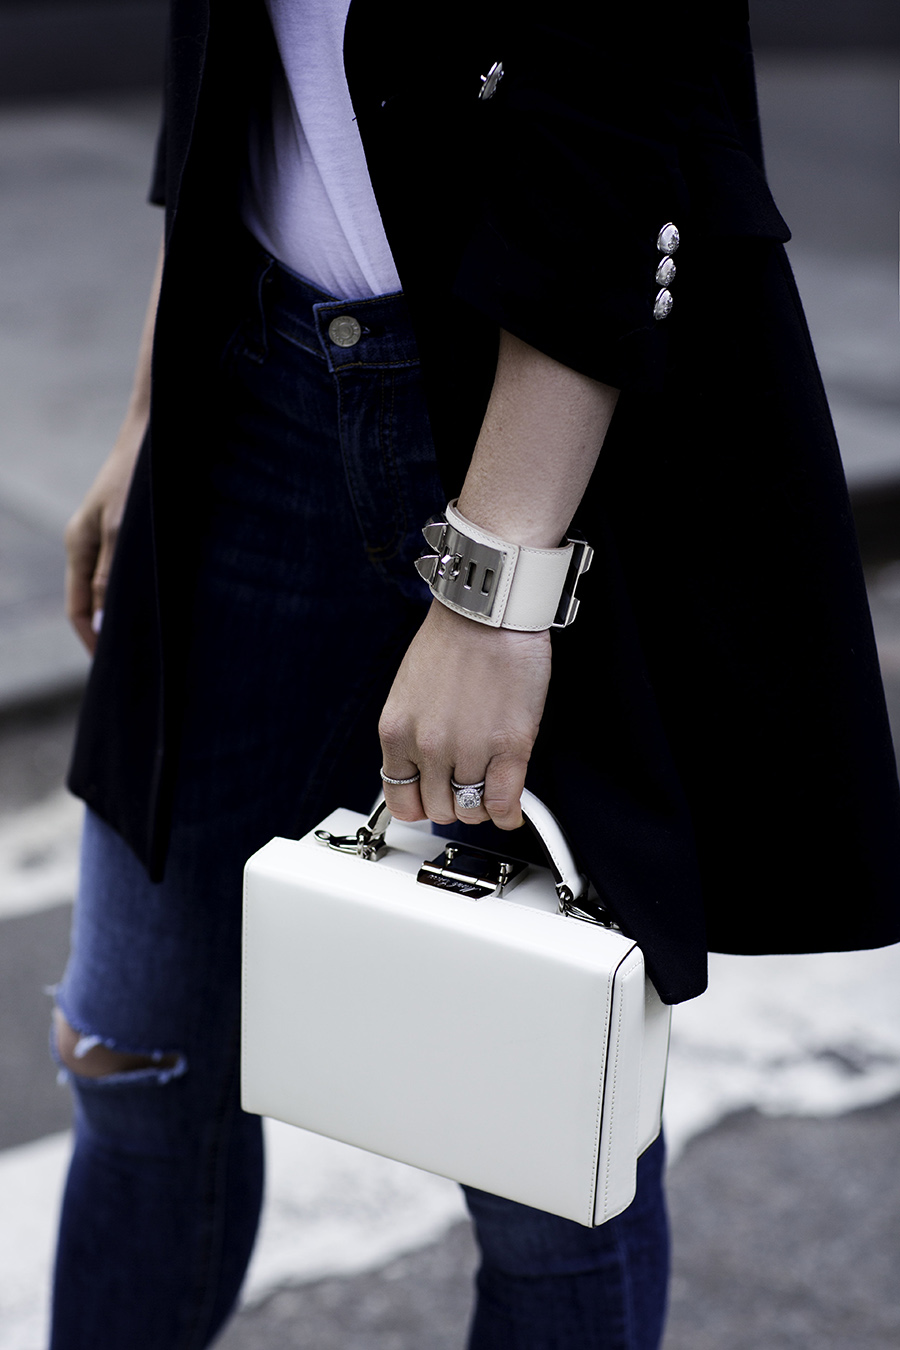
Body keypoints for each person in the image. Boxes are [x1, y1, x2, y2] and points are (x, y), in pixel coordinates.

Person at [52, 3, 900, 1348]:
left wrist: (500, 584)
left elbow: (629, 95)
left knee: (543, 1145)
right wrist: (153, 404)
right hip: (255, 386)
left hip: (527, 425)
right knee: (131, 1049)